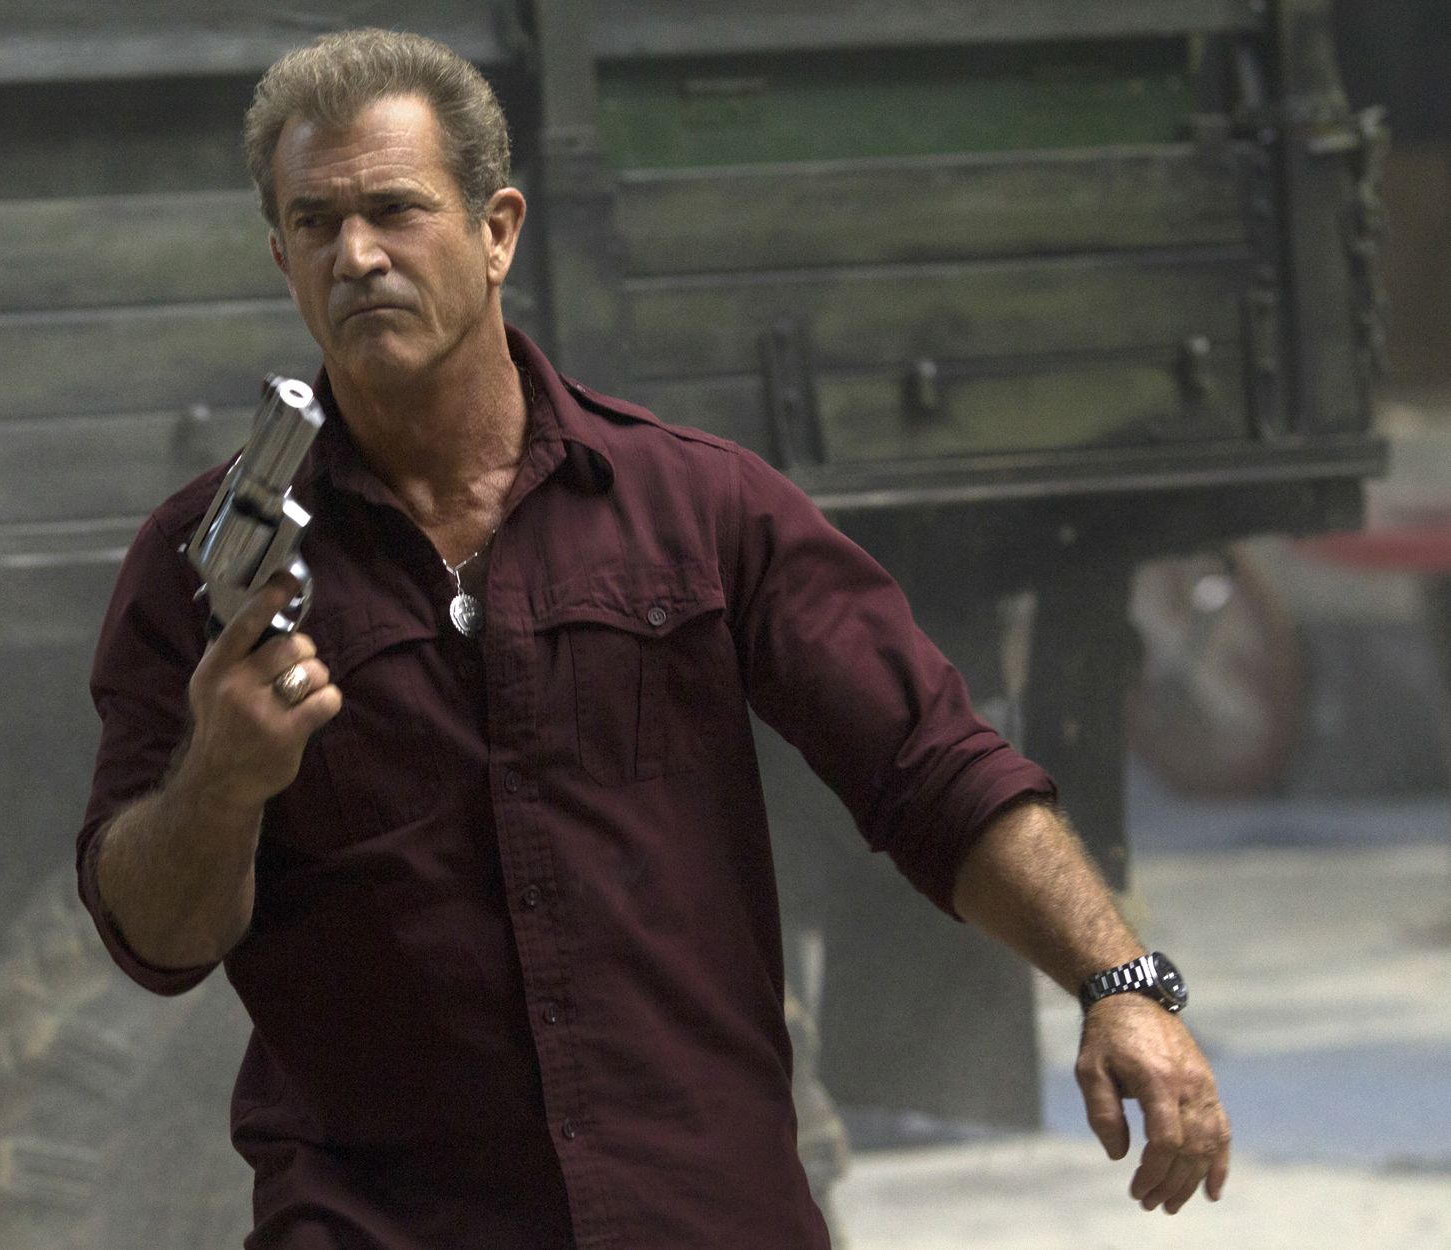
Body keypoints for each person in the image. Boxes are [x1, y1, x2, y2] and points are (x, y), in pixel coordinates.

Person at [77, 28, 1230, 1250]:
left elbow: (929, 765)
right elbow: (155, 940)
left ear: (496, 231)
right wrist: (220, 777)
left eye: (395, 210)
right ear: (280, 256)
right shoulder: (200, 567)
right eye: (314, 222)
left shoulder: (700, 509)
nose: (355, 254)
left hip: (698, 1215)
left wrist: (1118, 981)